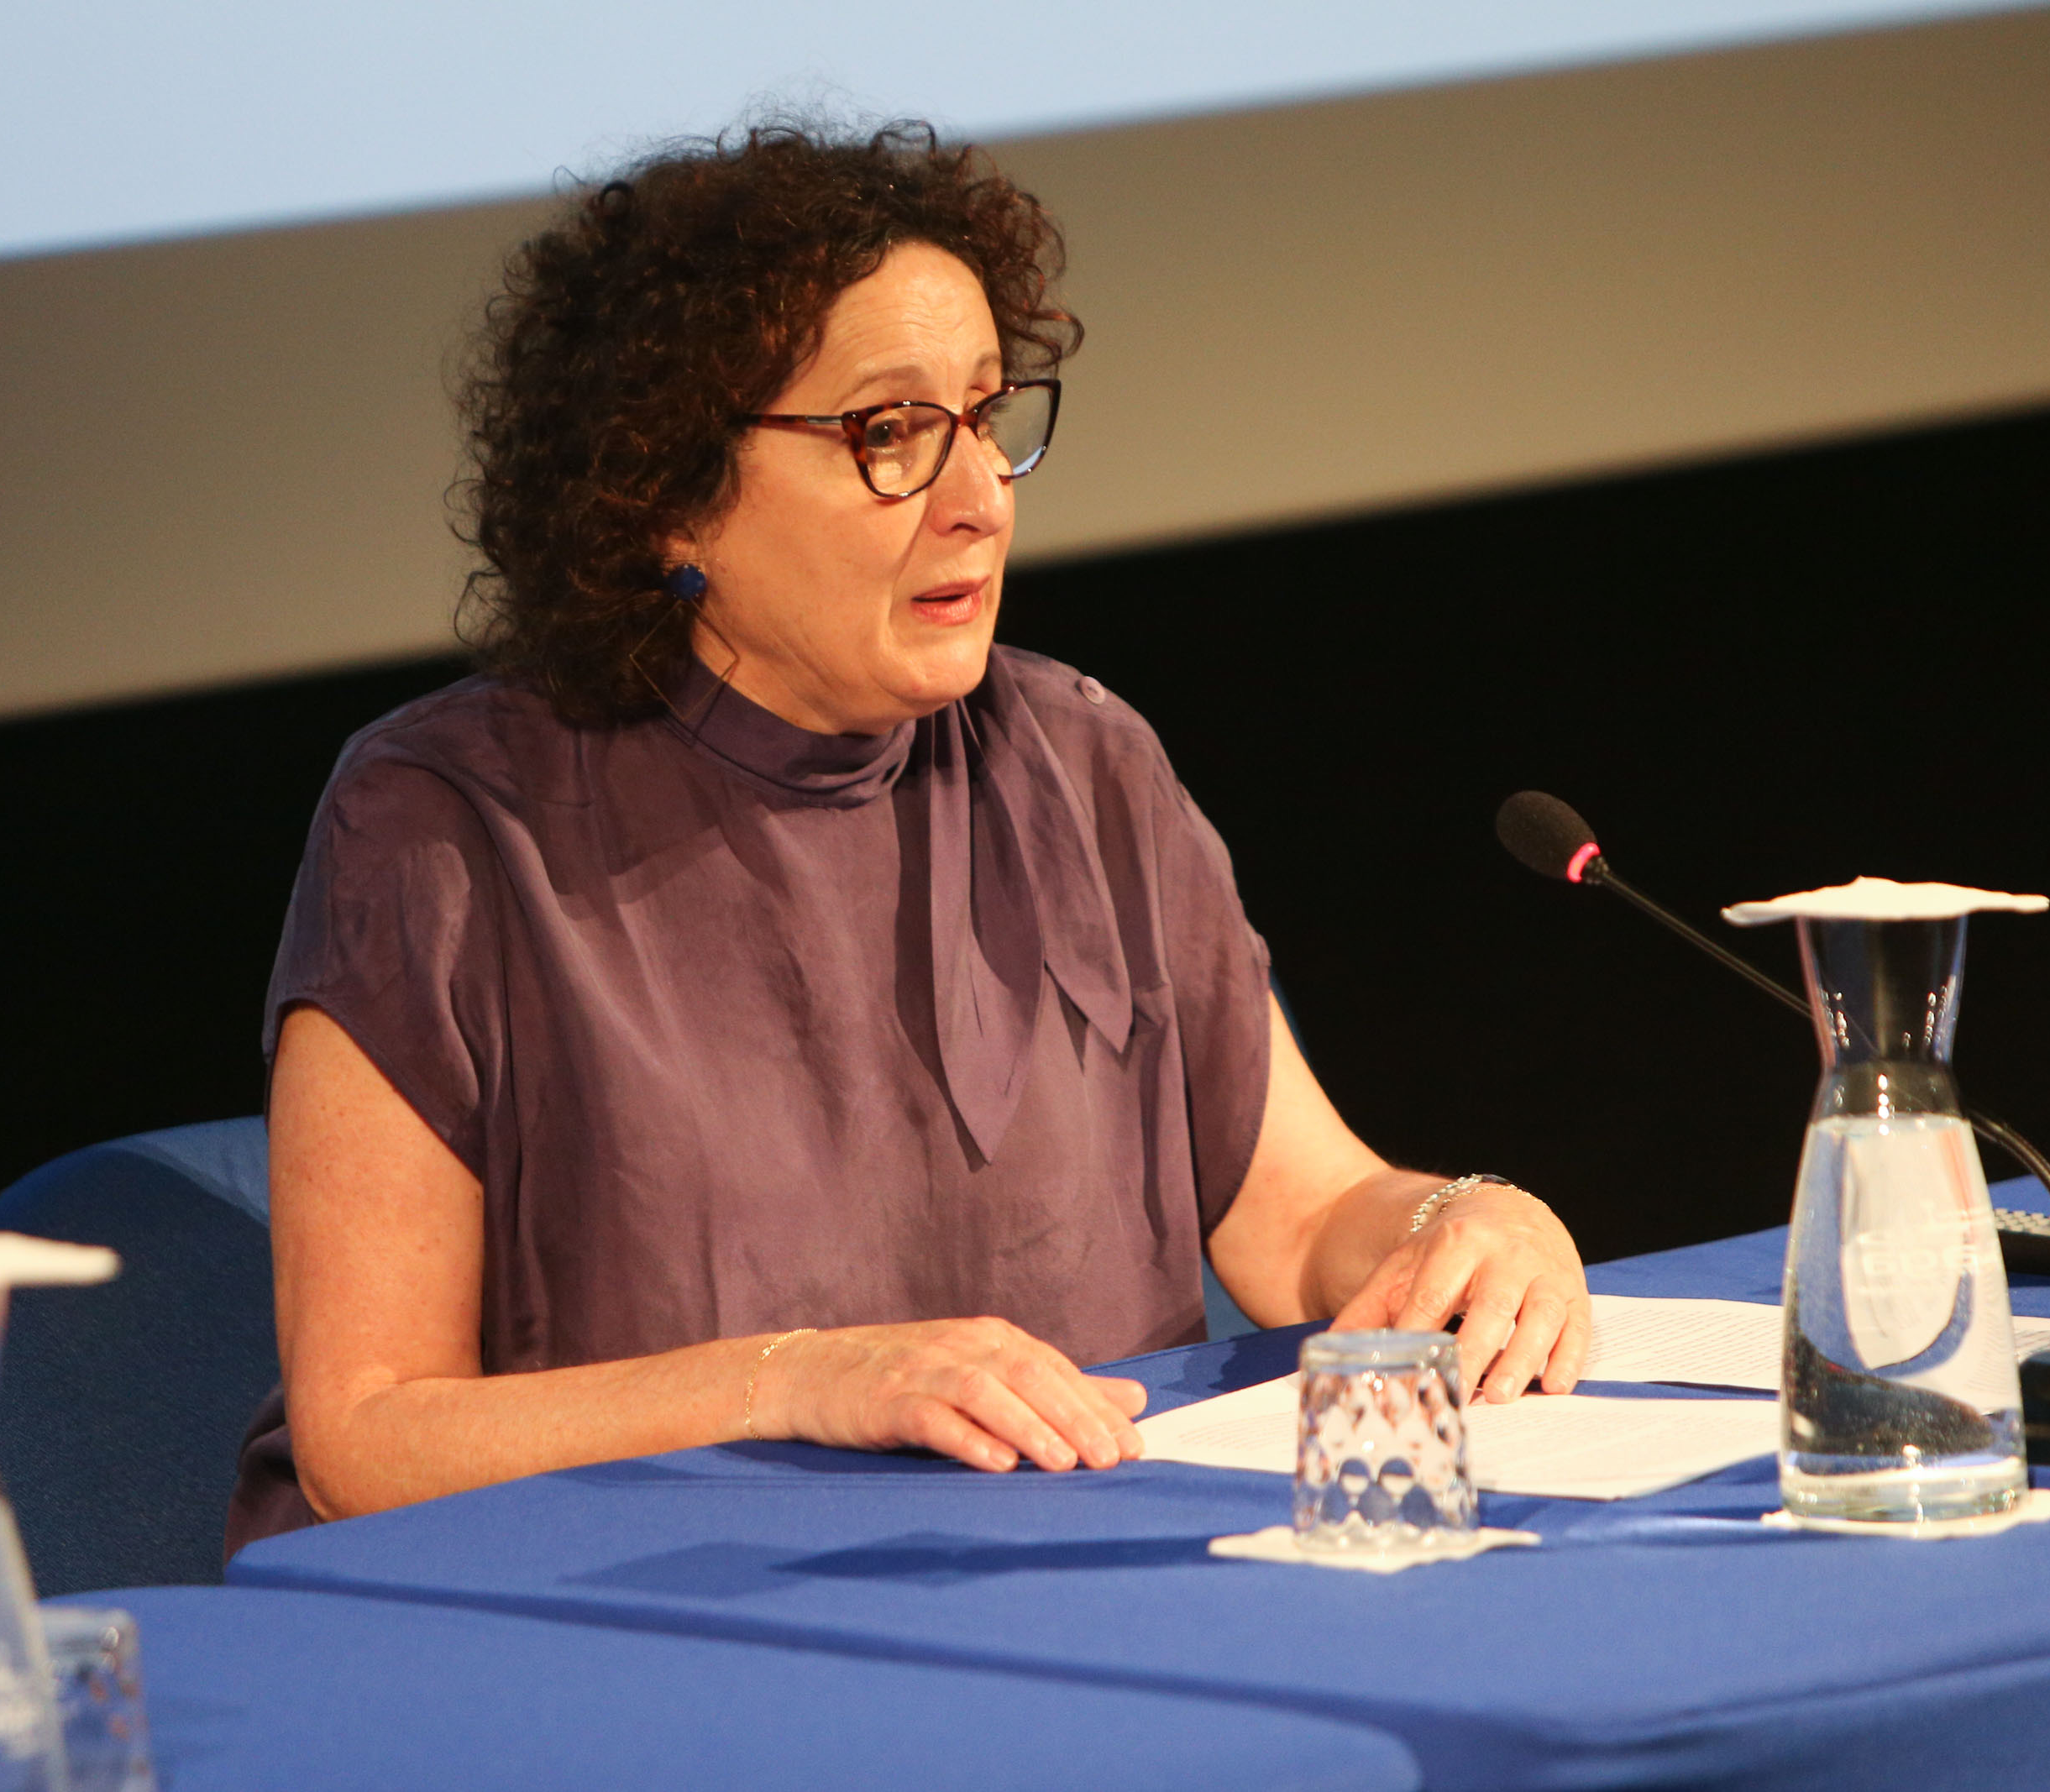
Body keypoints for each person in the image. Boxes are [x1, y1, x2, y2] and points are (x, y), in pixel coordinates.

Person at [227, 121, 1590, 1554]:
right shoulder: (444, 825)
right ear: (669, 490)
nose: (979, 498)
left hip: (1073, 1587)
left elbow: (1309, 1216)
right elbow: (365, 1437)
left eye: (989, 419)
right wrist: (801, 1378)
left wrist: (1467, 1221)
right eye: (889, 434)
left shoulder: (1085, 759)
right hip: (635, 1626)